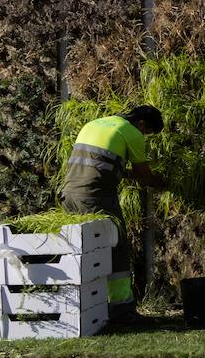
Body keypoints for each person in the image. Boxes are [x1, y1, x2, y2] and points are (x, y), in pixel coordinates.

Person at [60, 105, 167, 320]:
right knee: (116, 247)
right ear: (142, 124)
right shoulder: (131, 133)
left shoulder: (95, 124)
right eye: (147, 132)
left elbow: (98, 164)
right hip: (95, 197)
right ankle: (122, 309)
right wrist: (166, 183)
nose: (144, 136)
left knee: (80, 251)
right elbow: (144, 176)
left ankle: (80, 308)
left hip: (68, 195)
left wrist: (127, 173)